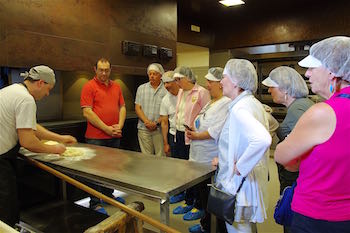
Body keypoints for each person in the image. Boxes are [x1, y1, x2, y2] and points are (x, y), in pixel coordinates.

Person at [274, 36, 350, 233]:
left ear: (332, 71)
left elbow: (282, 156)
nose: (307, 74)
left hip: (316, 217)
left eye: (312, 68)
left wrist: (294, 144)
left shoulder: (322, 112)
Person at [0, 65, 77, 227]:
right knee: (5, 209)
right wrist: (55, 149)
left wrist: (60, 138)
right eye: (48, 89)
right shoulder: (26, 99)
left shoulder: (11, 90)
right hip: (1, 160)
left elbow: (31, 126)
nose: (47, 94)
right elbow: (27, 141)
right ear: (40, 83)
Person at [213, 59, 271, 233]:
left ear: (236, 81)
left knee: (239, 228)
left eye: (224, 77)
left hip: (239, 184)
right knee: (246, 227)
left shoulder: (240, 108)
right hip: (247, 183)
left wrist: (240, 166)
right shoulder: (251, 103)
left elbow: (262, 139)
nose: (220, 82)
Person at [186, 67, 231, 233]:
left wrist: (196, 136)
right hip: (199, 156)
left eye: (210, 82)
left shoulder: (226, 103)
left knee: (211, 198)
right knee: (204, 196)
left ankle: (213, 228)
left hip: (210, 158)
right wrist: (192, 130)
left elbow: (216, 130)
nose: (207, 85)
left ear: (221, 83)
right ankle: (206, 224)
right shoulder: (211, 102)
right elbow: (203, 121)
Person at [80, 58, 126, 213]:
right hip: (96, 137)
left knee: (112, 168)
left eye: (106, 70)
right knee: (94, 170)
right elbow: (87, 112)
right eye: (101, 70)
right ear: (95, 69)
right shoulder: (89, 86)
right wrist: (106, 129)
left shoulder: (117, 86)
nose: (104, 73)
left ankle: (108, 195)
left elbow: (122, 107)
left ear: (110, 70)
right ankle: (94, 203)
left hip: (114, 136)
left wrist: (119, 126)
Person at [262, 66, 314, 192]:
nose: (269, 90)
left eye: (271, 87)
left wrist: (290, 168)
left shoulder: (297, 108)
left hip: (296, 175)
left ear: (285, 89)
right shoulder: (298, 105)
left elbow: (305, 144)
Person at [171, 66, 210, 210]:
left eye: (178, 79)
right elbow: (180, 113)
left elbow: (207, 115)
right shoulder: (181, 92)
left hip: (193, 136)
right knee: (183, 168)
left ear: (187, 78)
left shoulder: (201, 92)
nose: (177, 82)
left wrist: (195, 128)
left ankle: (196, 202)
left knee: (193, 170)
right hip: (180, 134)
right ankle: (187, 198)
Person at [135, 63, 167, 157]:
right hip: (143, 128)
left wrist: (155, 123)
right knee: (146, 157)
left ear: (161, 75)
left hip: (159, 129)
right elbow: (138, 107)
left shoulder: (166, 90)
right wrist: (147, 122)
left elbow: (167, 112)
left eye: (155, 74)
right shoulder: (141, 88)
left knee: (160, 156)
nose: (152, 76)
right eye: (150, 74)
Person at [159, 71, 179, 157]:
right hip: (173, 134)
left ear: (175, 81)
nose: (166, 86)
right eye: (164, 83)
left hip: (187, 135)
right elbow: (164, 123)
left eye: (168, 82)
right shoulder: (165, 100)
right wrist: (166, 143)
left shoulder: (185, 94)